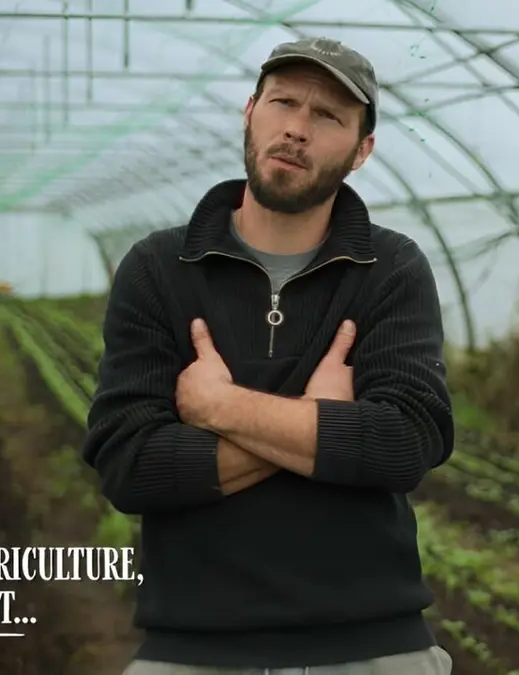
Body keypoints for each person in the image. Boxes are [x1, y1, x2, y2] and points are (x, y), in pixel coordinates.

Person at [81, 37, 454, 675]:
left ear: (362, 150)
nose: (297, 129)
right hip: (194, 648)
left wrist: (218, 407)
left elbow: (407, 441)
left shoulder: (390, 269)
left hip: (372, 648)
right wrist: (321, 423)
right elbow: (129, 465)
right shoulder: (158, 269)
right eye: (283, 102)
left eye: (329, 116)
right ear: (250, 111)